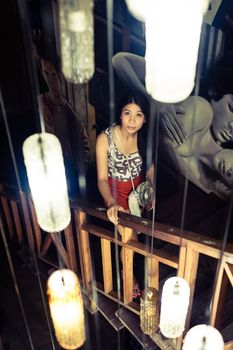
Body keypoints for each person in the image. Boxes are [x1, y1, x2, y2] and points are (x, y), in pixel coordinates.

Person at [96, 93, 154, 297]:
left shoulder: (144, 137)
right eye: (127, 113)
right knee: (132, 240)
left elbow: (149, 169)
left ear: (144, 119)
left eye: (138, 115)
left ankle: (132, 273)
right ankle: (129, 277)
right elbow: (102, 179)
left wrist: (151, 191)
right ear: (120, 115)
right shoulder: (105, 139)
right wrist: (111, 203)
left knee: (138, 238)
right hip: (116, 197)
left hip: (137, 195)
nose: (132, 120)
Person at [36, 46, 90, 198]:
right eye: (45, 73)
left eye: (53, 74)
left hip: (73, 171)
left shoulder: (68, 106)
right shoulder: (42, 103)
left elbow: (83, 138)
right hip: (53, 173)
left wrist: (81, 165)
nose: (49, 79)